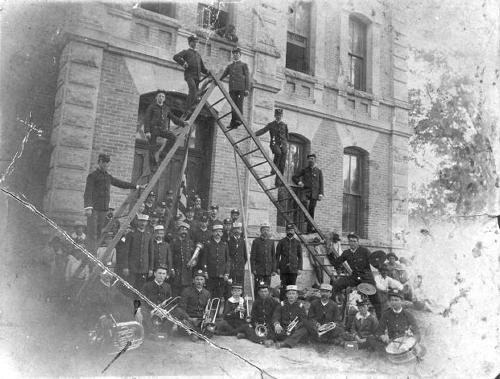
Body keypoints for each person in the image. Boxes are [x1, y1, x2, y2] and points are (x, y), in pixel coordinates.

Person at [84, 153, 143, 251]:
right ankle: (90, 254)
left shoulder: (108, 177)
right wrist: (88, 207)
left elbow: (120, 183)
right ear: (100, 162)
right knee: (92, 233)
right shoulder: (92, 176)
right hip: (94, 209)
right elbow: (88, 192)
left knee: (99, 232)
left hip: (103, 209)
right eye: (104, 163)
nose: (106, 165)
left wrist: (136, 186)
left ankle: (93, 252)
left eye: (107, 164)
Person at [331, 233, 381, 318]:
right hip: (354, 277)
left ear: (358, 242)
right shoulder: (346, 253)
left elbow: (374, 262)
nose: (352, 243)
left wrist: (378, 264)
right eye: (350, 241)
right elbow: (337, 262)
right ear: (348, 242)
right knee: (336, 284)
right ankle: (333, 308)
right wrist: (337, 268)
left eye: (354, 241)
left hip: (366, 277)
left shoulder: (364, 251)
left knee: (375, 299)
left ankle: (380, 320)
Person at [144, 89, 188, 164]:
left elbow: (173, 118)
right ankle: (153, 165)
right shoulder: (151, 107)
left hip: (163, 130)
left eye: (162, 96)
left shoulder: (166, 108)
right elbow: (147, 119)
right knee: (152, 149)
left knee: (173, 138)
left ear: (164, 99)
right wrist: (147, 131)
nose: (161, 97)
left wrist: (183, 123)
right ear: (156, 98)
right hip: (153, 130)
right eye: (159, 96)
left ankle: (163, 154)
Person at [173, 35, 209, 113]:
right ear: (190, 43)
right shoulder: (186, 52)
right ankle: (186, 108)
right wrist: (183, 63)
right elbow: (176, 57)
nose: (195, 43)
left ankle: (191, 107)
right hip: (189, 76)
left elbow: (203, 68)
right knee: (192, 89)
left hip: (197, 77)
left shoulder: (198, 55)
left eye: (196, 42)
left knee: (195, 94)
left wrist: (208, 72)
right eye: (193, 42)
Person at [236, 281, 277, 346]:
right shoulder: (256, 302)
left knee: (274, 332)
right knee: (246, 326)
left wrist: (269, 324)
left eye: (265, 291)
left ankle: (249, 336)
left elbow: (276, 316)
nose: (264, 293)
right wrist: (255, 323)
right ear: (259, 293)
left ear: (268, 292)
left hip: (269, 324)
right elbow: (253, 315)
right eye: (262, 292)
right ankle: (263, 340)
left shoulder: (274, 302)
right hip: (259, 324)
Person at [292, 153, 324, 233]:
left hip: (314, 193)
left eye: (312, 159)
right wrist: (299, 182)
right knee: (303, 202)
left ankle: (309, 229)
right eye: (309, 159)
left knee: (311, 210)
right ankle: (306, 219)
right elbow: (294, 177)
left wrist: (321, 194)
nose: (310, 160)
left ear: (315, 160)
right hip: (305, 191)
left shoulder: (319, 171)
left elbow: (321, 183)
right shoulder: (305, 170)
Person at [220, 47, 249, 130]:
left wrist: (247, 89)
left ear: (240, 55)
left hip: (241, 88)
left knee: (239, 104)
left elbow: (247, 77)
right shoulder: (230, 66)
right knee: (233, 105)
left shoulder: (244, 65)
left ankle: (239, 120)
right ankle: (233, 123)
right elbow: (224, 74)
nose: (235, 55)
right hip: (232, 88)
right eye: (234, 54)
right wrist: (218, 80)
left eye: (237, 54)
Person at [177, 270, 211, 341]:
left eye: (201, 279)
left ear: (204, 281)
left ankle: (195, 333)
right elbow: (180, 309)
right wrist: (189, 318)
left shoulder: (207, 293)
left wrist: (209, 316)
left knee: (211, 328)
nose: (199, 281)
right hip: (189, 319)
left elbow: (209, 308)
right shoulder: (186, 291)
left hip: (200, 320)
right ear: (193, 281)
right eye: (197, 279)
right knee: (183, 323)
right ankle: (196, 333)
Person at [140, 266, 173, 339]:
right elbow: (142, 301)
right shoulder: (147, 285)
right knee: (143, 312)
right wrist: (151, 311)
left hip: (162, 310)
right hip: (149, 310)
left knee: (173, 314)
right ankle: (152, 332)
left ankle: (163, 332)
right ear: (155, 274)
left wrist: (165, 310)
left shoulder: (167, 286)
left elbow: (170, 302)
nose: (161, 276)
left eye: (164, 274)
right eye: (159, 273)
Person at [123, 213, 154, 290]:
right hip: (132, 267)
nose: (142, 223)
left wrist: (150, 268)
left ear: (147, 223)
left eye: (144, 221)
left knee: (141, 289)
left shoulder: (149, 235)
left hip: (144, 268)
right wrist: (126, 267)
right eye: (141, 221)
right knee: (130, 288)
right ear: (137, 222)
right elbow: (126, 252)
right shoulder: (131, 234)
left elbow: (151, 253)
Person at [201, 223, 230, 303]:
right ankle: (208, 312)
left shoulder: (224, 244)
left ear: (222, 234)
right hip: (210, 273)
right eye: (216, 231)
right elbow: (204, 259)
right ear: (213, 233)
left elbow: (227, 260)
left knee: (219, 294)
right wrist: (205, 271)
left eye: (220, 231)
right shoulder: (208, 244)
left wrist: (227, 273)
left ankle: (216, 313)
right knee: (209, 293)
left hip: (221, 274)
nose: (218, 233)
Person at [255, 108, 289, 178]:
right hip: (274, 144)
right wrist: (255, 134)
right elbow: (263, 130)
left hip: (283, 145)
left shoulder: (284, 125)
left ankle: (280, 178)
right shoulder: (271, 124)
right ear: (274, 116)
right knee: (278, 153)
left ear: (282, 116)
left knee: (282, 161)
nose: (278, 116)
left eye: (280, 115)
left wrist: (285, 144)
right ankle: (273, 170)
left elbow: (287, 136)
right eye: (277, 115)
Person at [276, 223, 302, 301]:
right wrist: (277, 267)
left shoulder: (297, 242)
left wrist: (300, 268)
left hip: (294, 269)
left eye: (291, 230)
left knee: (292, 287)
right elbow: (277, 256)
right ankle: (282, 303)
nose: (290, 232)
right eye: (288, 230)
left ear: (294, 231)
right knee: (283, 287)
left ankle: (291, 302)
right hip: (283, 269)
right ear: (286, 231)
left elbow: (300, 257)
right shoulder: (281, 242)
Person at [250, 223, 277, 298]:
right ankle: (257, 303)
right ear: (261, 231)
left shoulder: (271, 242)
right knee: (258, 287)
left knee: (267, 288)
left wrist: (274, 269)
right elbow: (252, 257)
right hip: (259, 270)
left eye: (267, 230)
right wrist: (253, 268)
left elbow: (273, 257)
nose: (266, 231)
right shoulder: (256, 241)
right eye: (264, 230)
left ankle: (266, 303)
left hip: (268, 270)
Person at [170, 221, 196, 296]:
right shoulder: (173, 242)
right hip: (176, 271)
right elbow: (170, 256)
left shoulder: (190, 243)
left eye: (185, 230)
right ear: (178, 231)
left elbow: (195, 256)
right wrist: (171, 268)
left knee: (186, 292)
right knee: (175, 291)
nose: (184, 232)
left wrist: (194, 262)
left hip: (187, 272)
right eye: (182, 229)